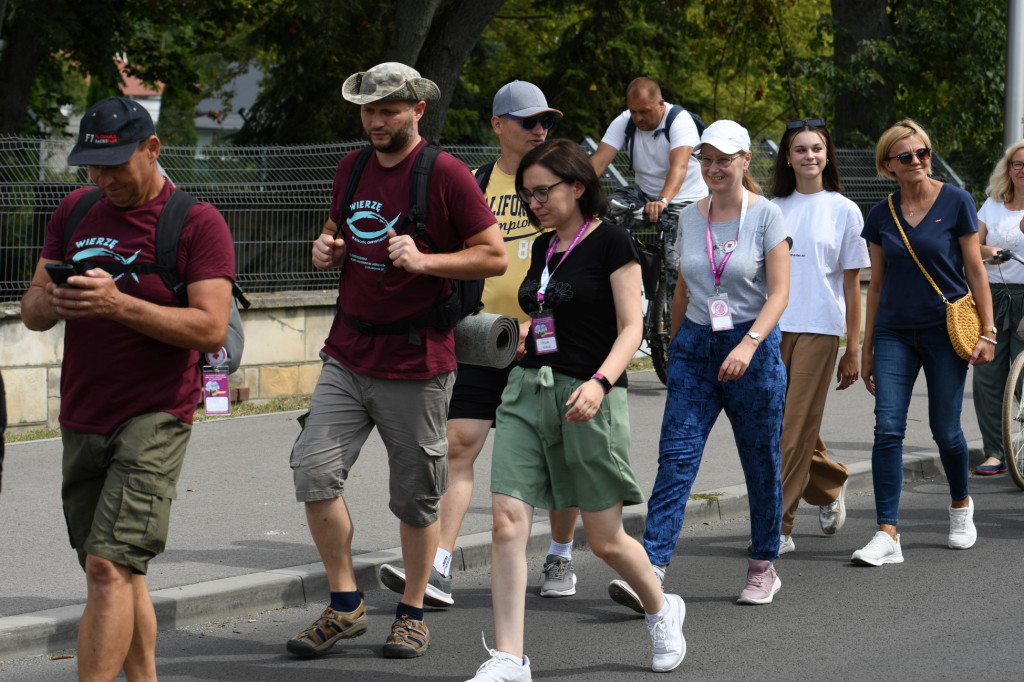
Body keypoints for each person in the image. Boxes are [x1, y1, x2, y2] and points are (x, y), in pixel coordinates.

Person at [286, 62, 506, 660]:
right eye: (368, 110)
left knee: (415, 497)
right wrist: (325, 248)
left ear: (417, 111)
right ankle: (344, 606)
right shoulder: (351, 166)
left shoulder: (447, 174)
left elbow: (493, 257)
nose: (376, 121)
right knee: (313, 472)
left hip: (417, 361)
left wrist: (427, 261)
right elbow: (339, 232)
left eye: (388, 110)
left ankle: (411, 610)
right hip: (348, 352)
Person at [20, 96, 236, 680]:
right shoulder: (74, 210)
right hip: (83, 413)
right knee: (119, 568)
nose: (102, 177)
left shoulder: (195, 222)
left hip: (156, 414)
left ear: (152, 149)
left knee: (105, 569)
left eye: (115, 163)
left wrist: (117, 304)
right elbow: (32, 311)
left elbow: (210, 327)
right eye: (92, 164)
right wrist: (55, 300)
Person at [468, 139, 686, 681]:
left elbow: (631, 328)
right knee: (507, 522)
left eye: (543, 191)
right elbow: (548, 314)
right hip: (526, 391)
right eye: (526, 194)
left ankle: (661, 609)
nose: (533, 201)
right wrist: (524, 334)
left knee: (606, 537)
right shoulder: (543, 248)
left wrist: (599, 382)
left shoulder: (613, 243)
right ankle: (510, 658)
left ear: (578, 187)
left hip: (588, 395)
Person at [378, 81, 583, 607]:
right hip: (481, 339)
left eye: (546, 122)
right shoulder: (472, 182)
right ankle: (439, 566)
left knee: (556, 457)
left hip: (548, 341)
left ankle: (560, 552)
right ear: (498, 125)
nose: (539, 130)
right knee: (458, 444)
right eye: (528, 121)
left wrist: (537, 331)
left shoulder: (563, 183)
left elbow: (583, 262)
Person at [607, 120, 791, 612]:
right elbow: (686, 280)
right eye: (705, 159)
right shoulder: (690, 216)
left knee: (760, 462)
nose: (712, 168)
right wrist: (675, 336)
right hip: (695, 348)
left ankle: (762, 566)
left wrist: (749, 345)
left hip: (752, 348)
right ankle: (652, 569)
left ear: (746, 160)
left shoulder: (767, 215)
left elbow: (780, 294)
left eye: (723, 159)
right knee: (677, 458)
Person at [854, 119, 995, 566]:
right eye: (905, 156)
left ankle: (960, 505)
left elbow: (975, 271)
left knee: (946, 432)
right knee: (887, 428)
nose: (916, 161)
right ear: (887, 165)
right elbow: (875, 285)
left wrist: (988, 331)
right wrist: (866, 347)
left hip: (944, 329)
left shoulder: (956, 201)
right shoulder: (880, 214)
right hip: (894, 331)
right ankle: (887, 532)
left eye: (923, 153)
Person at [769, 118, 870, 552]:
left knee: (793, 427)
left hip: (820, 328)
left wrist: (854, 347)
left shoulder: (845, 209)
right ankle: (830, 483)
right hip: (771, 329)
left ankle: (780, 526)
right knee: (778, 424)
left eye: (817, 148)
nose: (809, 156)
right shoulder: (771, 207)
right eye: (800, 149)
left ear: (827, 155)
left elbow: (853, 285)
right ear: (788, 158)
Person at [590, 77, 707, 299]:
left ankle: (677, 327)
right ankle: (615, 279)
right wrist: (575, 193)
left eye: (644, 111)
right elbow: (597, 163)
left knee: (676, 264)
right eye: (633, 111)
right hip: (644, 195)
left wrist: (663, 200)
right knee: (601, 214)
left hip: (683, 200)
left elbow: (680, 166)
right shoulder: (625, 121)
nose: (638, 118)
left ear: (661, 104)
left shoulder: (679, 121)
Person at [971, 140, 1024, 475]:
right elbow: (971, 247)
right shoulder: (992, 205)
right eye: (1017, 164)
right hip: (992, 294)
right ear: (1008, 168)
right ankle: (995, 451)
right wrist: (988, 252)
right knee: (987, 377)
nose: (1022, 170)